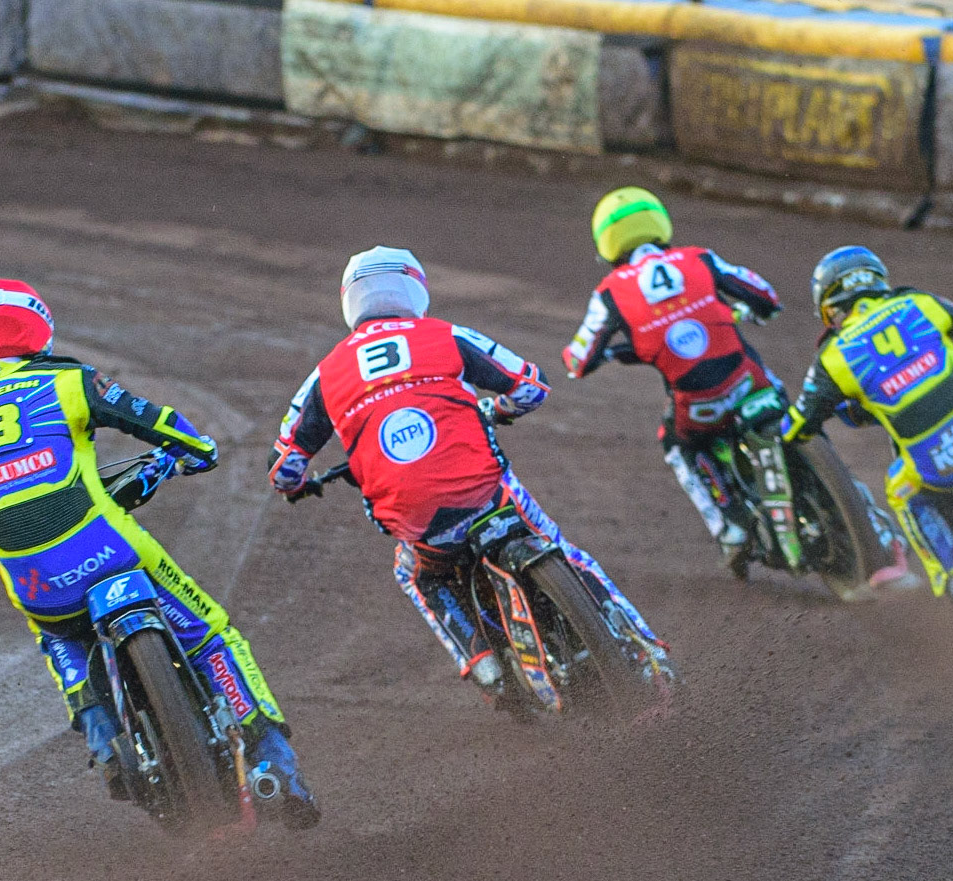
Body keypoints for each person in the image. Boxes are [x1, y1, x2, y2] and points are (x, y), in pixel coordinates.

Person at [0, 279, 318, 828]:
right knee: (214, 635)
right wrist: (197, 452)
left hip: (36, 585)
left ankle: (104, 744)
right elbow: (162, 424)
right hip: (111, 552)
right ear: (37, 328)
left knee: (57, 639)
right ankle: (277, 765)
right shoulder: (68, 379)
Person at [268, 247, 666, 701]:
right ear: (414, 288)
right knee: (562, 547)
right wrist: (496, 409)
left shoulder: (323, 375)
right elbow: (532, 387)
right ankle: (646, 649)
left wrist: (300, 485)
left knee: (416, 573)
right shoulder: (447, 335)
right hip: (484, 490)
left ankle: (484, 667)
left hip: (415, 520)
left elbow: (283, 467)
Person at [780, 246, 953, 603]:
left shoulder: (833, 357)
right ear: (877, 280)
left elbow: (801, 422)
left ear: (831, 307)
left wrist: (787, 431)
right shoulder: (918, 304)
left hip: (937, 465)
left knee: (901, 489)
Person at [560, 186, 788, 570]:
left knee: (676, 444)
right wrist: (751, 311)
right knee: (792, 408)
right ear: (659, 223)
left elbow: (579, 360)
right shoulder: (699, 257)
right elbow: (765, 295)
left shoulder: (610, 293)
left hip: (699, 407)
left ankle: (727, 528)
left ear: (607, 243)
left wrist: (603, 354)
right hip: (751, 382)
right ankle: (848, 490)